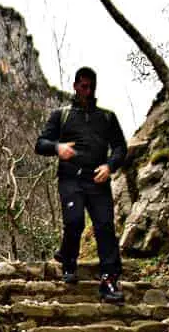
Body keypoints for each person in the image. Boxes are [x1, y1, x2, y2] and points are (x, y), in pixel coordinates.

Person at [34, 66, 128, 304]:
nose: (87, 91)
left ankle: (109, 280)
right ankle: (68, 258)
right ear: (75, 86)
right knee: (74, 222)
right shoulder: (61, 115)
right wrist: (58, 148)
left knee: (105, 227)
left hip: (98, 179)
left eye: (91, 86)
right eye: (83, 86)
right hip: (70, 179)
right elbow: (40, 143)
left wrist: (109, 166)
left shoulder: (107, 117)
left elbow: (120, 147)